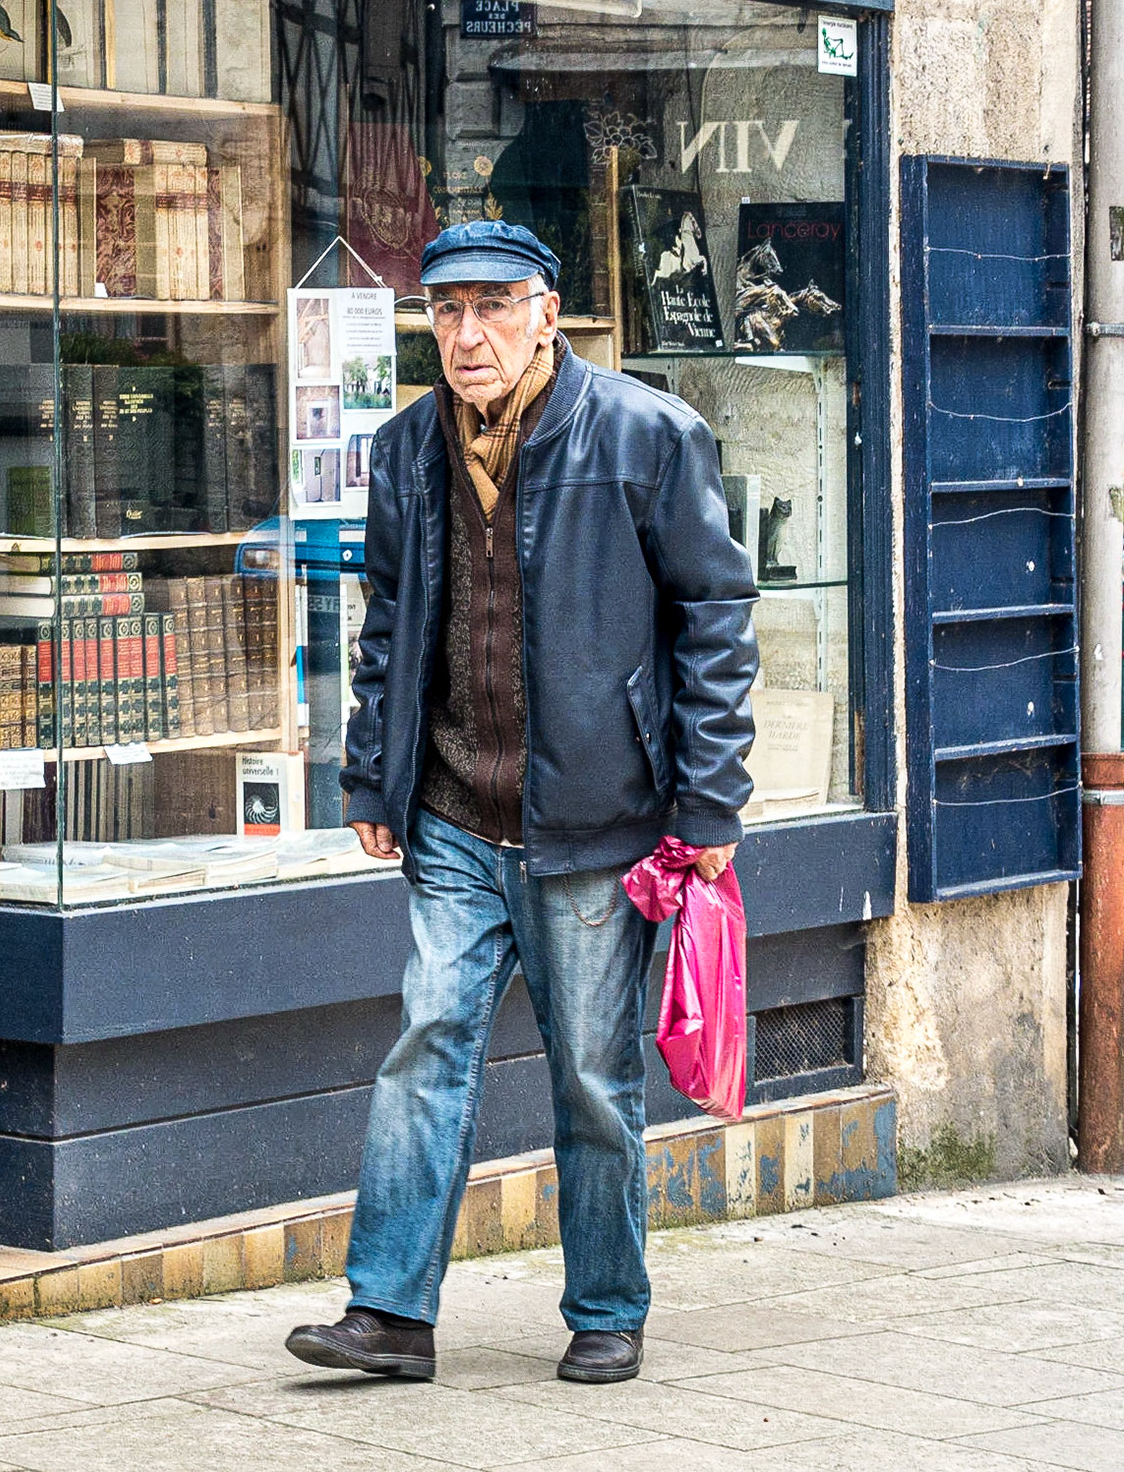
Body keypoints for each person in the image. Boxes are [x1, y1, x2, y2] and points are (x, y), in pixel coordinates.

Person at [285, 220, 756, 1386]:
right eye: (446, 310)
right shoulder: (406, 449)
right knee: (425, 1043)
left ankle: (606, 1304)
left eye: (493, 306)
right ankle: (390, 1311)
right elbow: (389, 627)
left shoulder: (647, 435)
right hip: (453, 811)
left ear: (549, 311)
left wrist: (709, 804)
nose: (467, 332)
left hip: (597, 824)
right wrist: (371, 772)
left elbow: (717, 620)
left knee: (593, 1077)